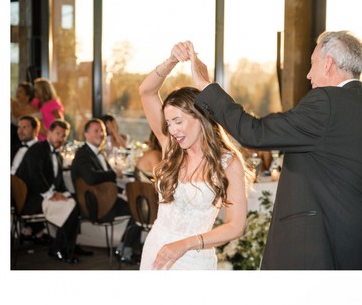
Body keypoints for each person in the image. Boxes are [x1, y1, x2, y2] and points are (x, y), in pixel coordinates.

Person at [190, 31, 362, 269]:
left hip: (319, 256)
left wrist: (207, 87)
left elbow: (254, 133)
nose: (308, 74)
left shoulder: (326, 101)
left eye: (312, 64)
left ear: (328, 64)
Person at [138, 45, 251, 270]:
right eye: (169, 123)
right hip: (155, 252)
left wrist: (186, 244)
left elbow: (236, 226)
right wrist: (171, 60)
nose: (172, 130)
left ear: (200, 117)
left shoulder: (228, 163)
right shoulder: (171, 149)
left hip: (194, 259)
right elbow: (146, 92)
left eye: (178, 122)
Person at [70, 118, 143, 264]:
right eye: (96, 131)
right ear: (86, 135)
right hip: (96, 205)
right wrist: (114, 173)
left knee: (137, 204)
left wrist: (123, 191)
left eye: (102, 131)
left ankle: (122, 249)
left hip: (106, 199)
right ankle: (125, 251)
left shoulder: (100, 153)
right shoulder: (83, 154)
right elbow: (91, 178)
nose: (101, 134)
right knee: (139, 209)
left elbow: (109, 183)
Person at [15, 119, 82, 263]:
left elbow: (59, 183)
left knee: (77, 201)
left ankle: (69, 245)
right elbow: (35, 175)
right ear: (49, 133)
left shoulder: (57, 156)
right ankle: (59, 248)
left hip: (43, 196)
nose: (60, 138)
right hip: (29, 199)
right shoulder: (37, 149)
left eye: (63, 136)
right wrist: (51, 195)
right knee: (71, 208)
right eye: (57, 134)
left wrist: (66, 194)